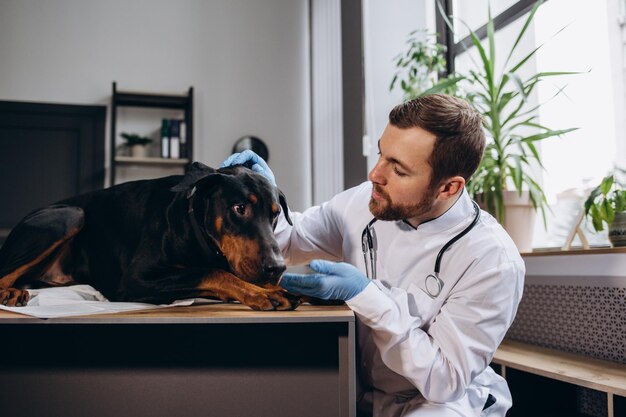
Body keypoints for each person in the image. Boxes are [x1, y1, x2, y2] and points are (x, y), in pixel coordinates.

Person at [221, 94, 525, 417]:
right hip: (365, 392)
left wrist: (366, 295)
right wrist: (265, 195)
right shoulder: (366, 200)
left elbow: (444, 380)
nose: (374, 175)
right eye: (382, 153)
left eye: (399, 170)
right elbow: (291, 240)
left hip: (438, 404)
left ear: (448, 188)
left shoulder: (492, 260)